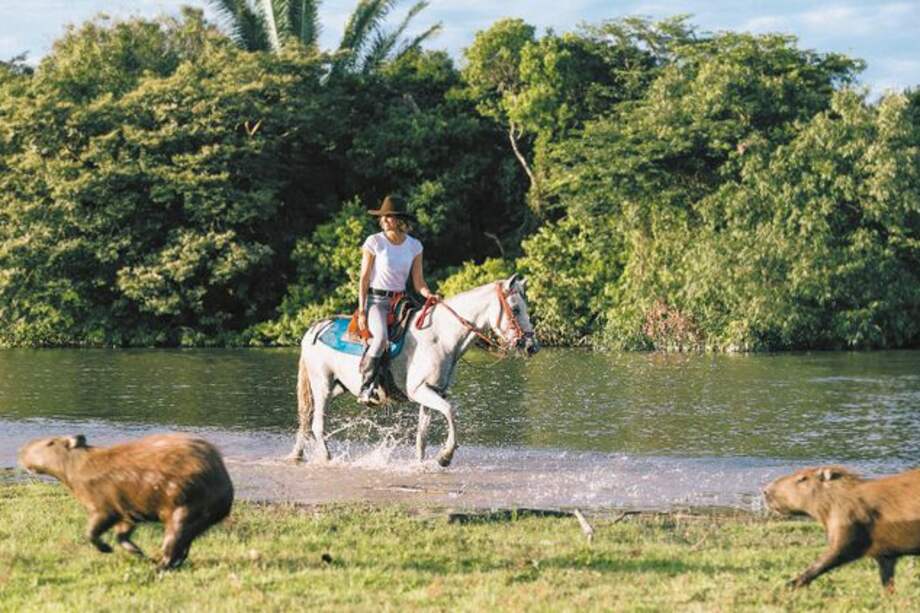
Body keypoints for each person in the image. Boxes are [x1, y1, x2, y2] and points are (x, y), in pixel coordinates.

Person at [356, 195, 436, 405]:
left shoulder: (414, 246)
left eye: (389, 216)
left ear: (400, 220)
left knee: (422, 335)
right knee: (381, 339)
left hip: (401, 302)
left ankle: (411, 383)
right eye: (383, 216)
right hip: (377, 301)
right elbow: (364, 278)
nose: (384, 219)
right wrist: (362, 310)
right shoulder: (374, 242)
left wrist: (429, 295)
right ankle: (366, 387)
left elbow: (418, 282)